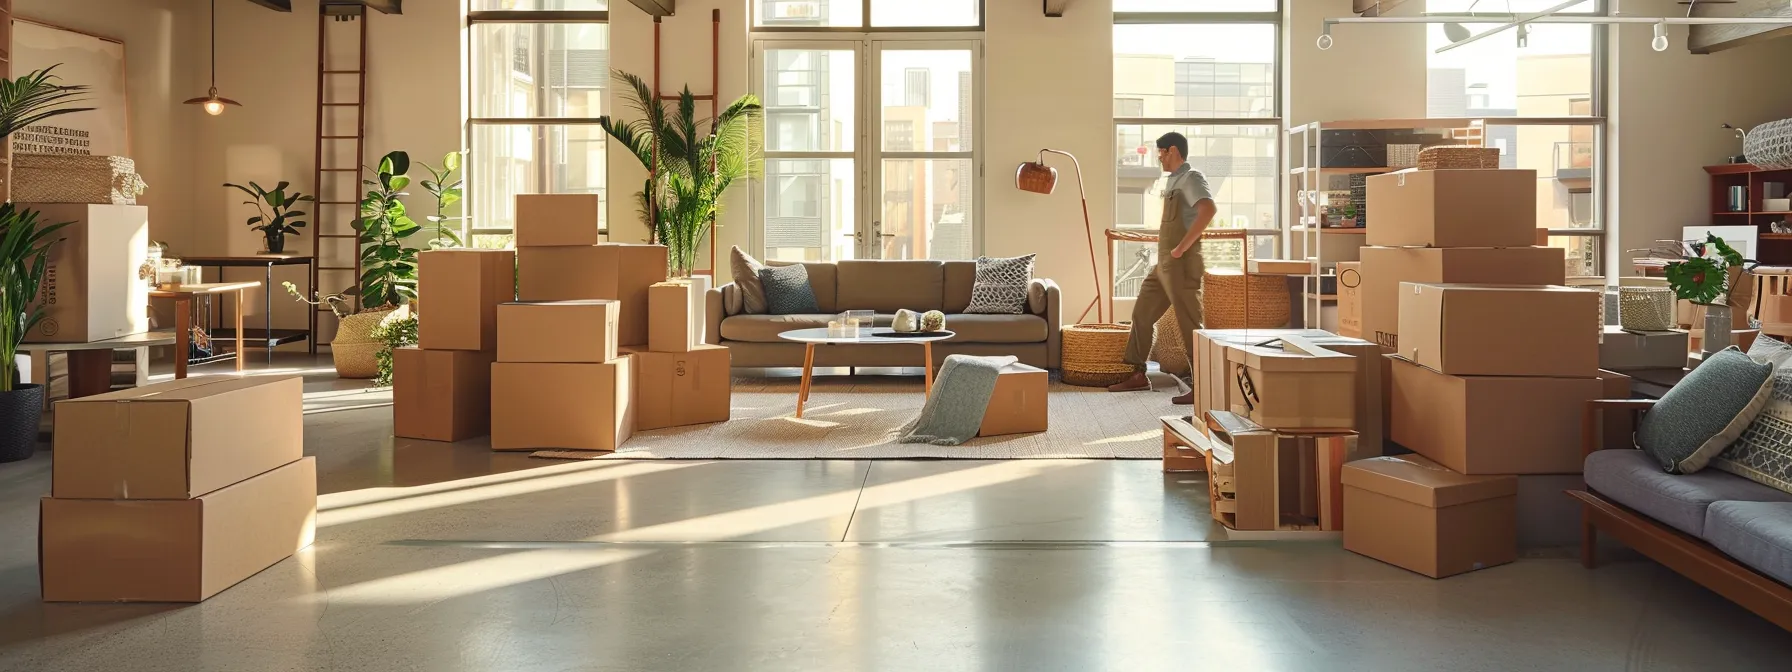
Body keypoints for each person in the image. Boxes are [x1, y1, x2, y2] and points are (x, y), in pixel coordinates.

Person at [1108, 132, 1216, 404]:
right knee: (1142, 313)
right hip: (1165, 264)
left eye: (1161, 152)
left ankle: (1203, 386)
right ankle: (1138, 374)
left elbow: (1208, 210)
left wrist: (1180, 249)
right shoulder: (1172, 182)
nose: (1159, 158)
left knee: (1189, 324)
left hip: (1182, 264)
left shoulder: (1192, 178)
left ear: (1173, 151)